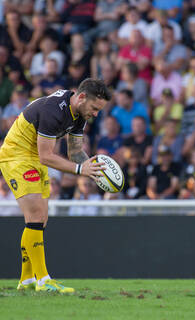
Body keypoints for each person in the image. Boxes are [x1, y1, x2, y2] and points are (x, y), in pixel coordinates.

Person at [0, 78, 111, 293]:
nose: (96, 114)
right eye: (95, 108)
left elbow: (76, 152)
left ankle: (26, 280)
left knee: (39, 219)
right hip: (17, 156)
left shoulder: (79, 114)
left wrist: (94, 170)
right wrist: (80, 170)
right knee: (36, 214)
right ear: (81, 97)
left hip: (34, 157)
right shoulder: (54, 111)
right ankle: (43, 280)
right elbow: (46, 156)